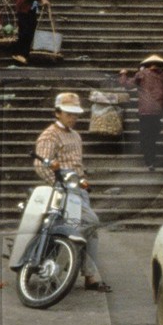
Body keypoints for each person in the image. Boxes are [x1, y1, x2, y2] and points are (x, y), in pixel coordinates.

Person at [33, 93, 109, 292]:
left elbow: (77, 164)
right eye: (68, 114)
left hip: (78, 187)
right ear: (57, 113)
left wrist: (81, 180)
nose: (73, 118)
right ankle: (56, 268)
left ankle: (90, 276)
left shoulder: (75, 135)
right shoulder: (50, 135)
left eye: (75, 114)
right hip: (63, 189)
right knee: (89, 222)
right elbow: (41, 164)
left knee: (92, 231)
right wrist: (60, 184)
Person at [120, 54, 163, 170]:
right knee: (153, 136)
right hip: (157, 111)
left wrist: (123, 74)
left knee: (145, 135)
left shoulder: (141, 74)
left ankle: (148, 160)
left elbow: (127, 85)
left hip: (144, 111)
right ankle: (151, 160)